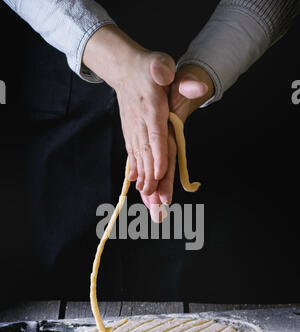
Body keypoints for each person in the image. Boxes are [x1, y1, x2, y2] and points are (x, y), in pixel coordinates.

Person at [1, 0, 299, 302]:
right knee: (59, 288)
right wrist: (117, 61)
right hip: (58, 96)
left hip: (225, 105)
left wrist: (207, 67)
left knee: (217, 290)